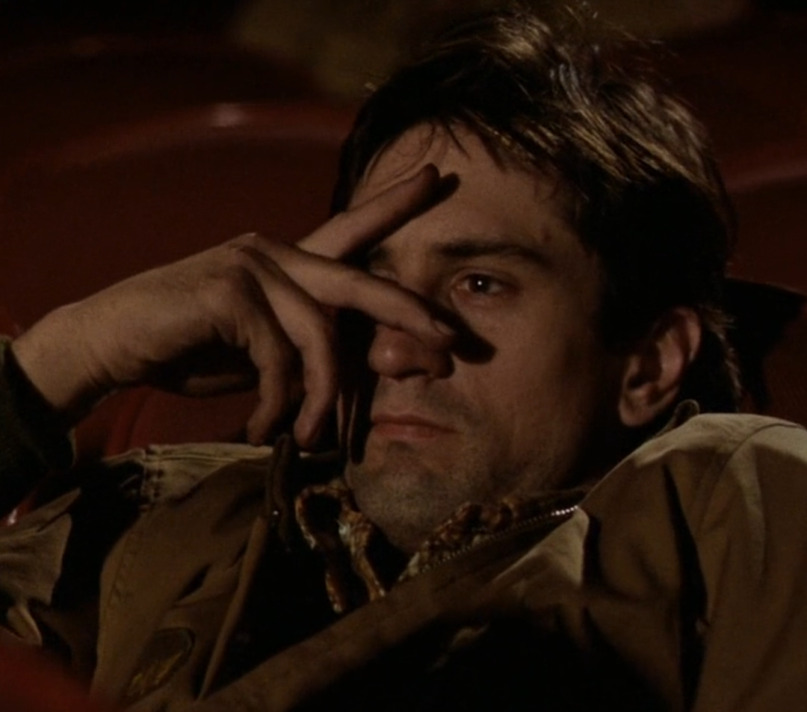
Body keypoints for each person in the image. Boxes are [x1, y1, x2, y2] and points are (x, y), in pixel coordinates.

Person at [2, 5, 807, 711]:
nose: (390, 347)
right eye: (370, 280)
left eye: (480, 284)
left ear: (648, 365)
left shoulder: (731, 501)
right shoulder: (162, 516)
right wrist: (66, 357)